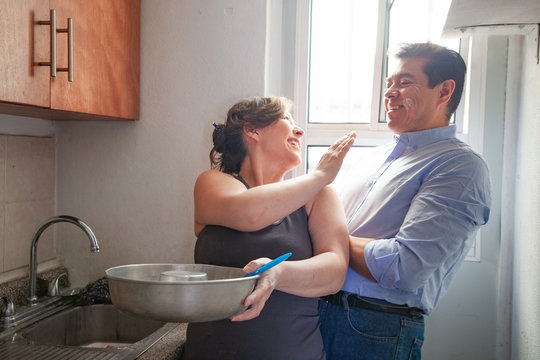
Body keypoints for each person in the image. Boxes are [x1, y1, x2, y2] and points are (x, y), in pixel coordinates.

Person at [319, 42, 492, 359]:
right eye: (389, 84)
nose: (389, 93)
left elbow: (404, 267)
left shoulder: (459, 166)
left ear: (444, 91)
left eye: (404, 82)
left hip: (372, 326)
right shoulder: (375, 157)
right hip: (318, 312)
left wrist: (326, 236)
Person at [182, 96, 356, 360]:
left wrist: (279, 273)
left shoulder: (320, 196)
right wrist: (320, 174)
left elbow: (334, 274)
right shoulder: (212, 182)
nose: (299, 131)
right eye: (288, 120)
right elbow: (249, 213)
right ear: (252, 130)